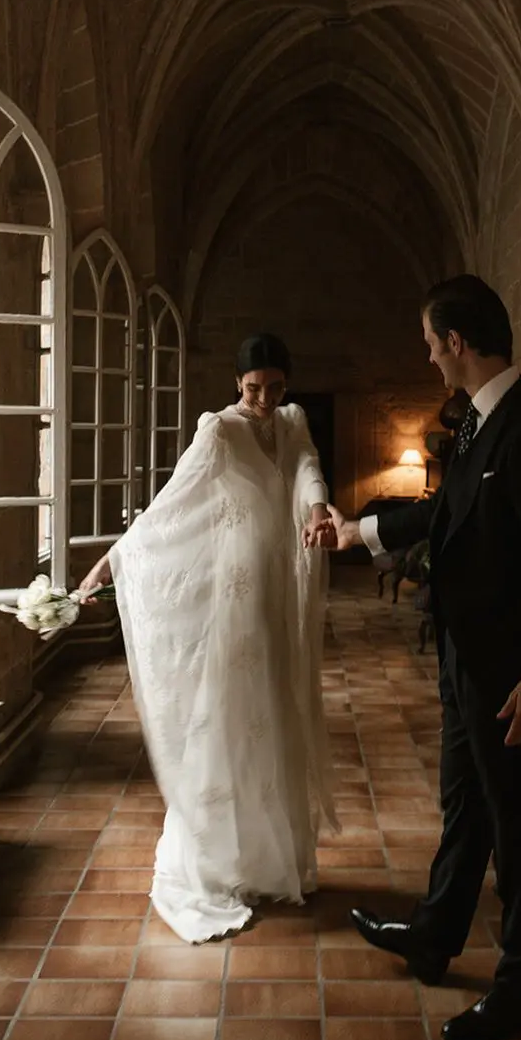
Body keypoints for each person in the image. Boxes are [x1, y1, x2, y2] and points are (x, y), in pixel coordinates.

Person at [327, 275, 521, 1040]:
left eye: (433, 343)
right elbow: (446, 513)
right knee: (465, 811)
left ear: (460, 342)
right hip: (467, 665)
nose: (431, 356)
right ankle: (436, 935)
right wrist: (361, 533)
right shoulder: (478, 423)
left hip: (511, 679)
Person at [78, 333, 339, 944]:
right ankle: (217, 860)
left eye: (276, 387)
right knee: (231, 716)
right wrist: (105, 566)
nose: (265, 400)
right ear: (236, 384)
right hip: (238, 593)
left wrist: (319, 509)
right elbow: (167, 508)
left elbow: (305, 469)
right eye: (254, 389)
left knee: (275, 711)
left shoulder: (293, 420)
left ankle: (271, 859)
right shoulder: (218, 431)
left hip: (278, 588)